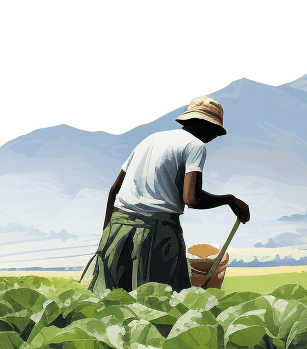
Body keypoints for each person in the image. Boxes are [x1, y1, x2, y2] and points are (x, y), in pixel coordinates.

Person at [89, 96, 250, 292]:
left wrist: (107, 237)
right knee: (161, 301)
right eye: (215, 131)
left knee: (109, 299)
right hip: (156, 233)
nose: (215, 136)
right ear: (204, 126)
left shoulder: (151, 139)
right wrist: (230, 200)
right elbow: (191, 198)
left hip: (117, 228)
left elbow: (114, 190)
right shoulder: (195, 146)